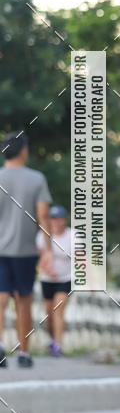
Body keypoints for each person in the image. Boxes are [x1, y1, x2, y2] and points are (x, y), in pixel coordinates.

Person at [0, 132, 53, 369]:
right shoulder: (36, 179)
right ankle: (23, 352)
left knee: (0, 298)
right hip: (25, 250)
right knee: (24, 300)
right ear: (23, 151)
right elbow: (43, 215)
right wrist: (49, 248)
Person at [35, 206, 72, 357]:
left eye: (59, 219)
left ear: (64, 220)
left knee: (58, 311)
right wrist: (48, 270)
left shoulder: (73, 236)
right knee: (48, 315)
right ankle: (52, 340)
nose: (56, 222)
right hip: (48, 279)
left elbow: (81, 258)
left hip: (66, 279)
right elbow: (39, 258)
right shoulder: (42, 236)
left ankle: (58, 345)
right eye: (53, 219)